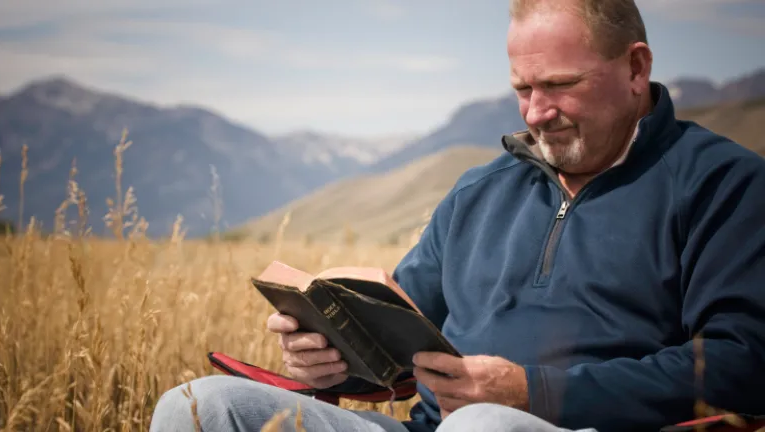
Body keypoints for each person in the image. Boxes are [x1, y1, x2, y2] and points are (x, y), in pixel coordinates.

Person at [149, 0, 765, 430]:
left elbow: (744, 364)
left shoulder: (722, 183)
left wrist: (533, 394)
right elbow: (396, 351)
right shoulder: (478, 192)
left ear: (636, 68)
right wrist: (332, 359)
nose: (535, 113)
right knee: (197, 408)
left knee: (485, 426)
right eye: (523, 89)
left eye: (559, 84)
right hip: (432, 430)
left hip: (574, 429)